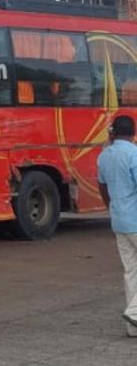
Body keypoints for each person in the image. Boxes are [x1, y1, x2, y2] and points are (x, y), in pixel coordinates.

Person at [97, 115, 137, 337]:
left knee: (131, 271)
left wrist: (112, 207)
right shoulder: (133, 154)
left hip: (119, 221)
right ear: (133, 132)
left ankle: (132, 329)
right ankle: (134, 313)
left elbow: (102, 185)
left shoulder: (104, 156)